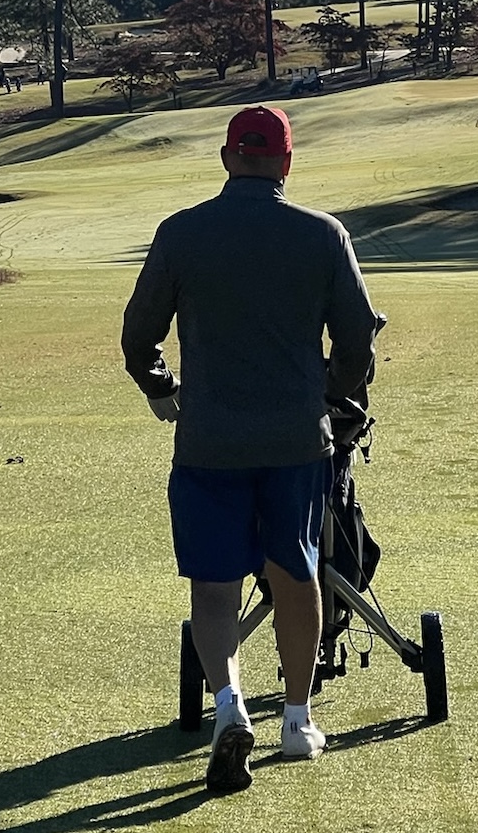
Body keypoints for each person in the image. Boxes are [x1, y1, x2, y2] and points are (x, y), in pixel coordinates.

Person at [122, 106, 378, 793]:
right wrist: (330, 394)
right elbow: (357, 341)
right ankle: (297, 719)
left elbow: (138, 337)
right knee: (297, 574)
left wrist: (161, 388)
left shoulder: (181, 233)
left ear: (228, 157)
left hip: (208, 440)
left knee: (213, 586)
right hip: (296, 441)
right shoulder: (322, 234)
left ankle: (229, 707)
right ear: (287, 163)